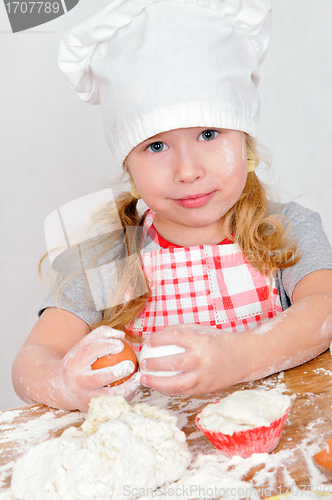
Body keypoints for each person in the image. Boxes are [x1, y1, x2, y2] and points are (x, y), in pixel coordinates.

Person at [12, 0, 332, 413]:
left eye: (209, 132)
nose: (187, 170)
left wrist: (239, 357)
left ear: (245, 142)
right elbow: (30, 361)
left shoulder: (286, 227)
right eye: (156, 145)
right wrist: (64, 382)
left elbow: (324, 310)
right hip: (163, 463)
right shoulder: (113, 250)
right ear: (128, 163)